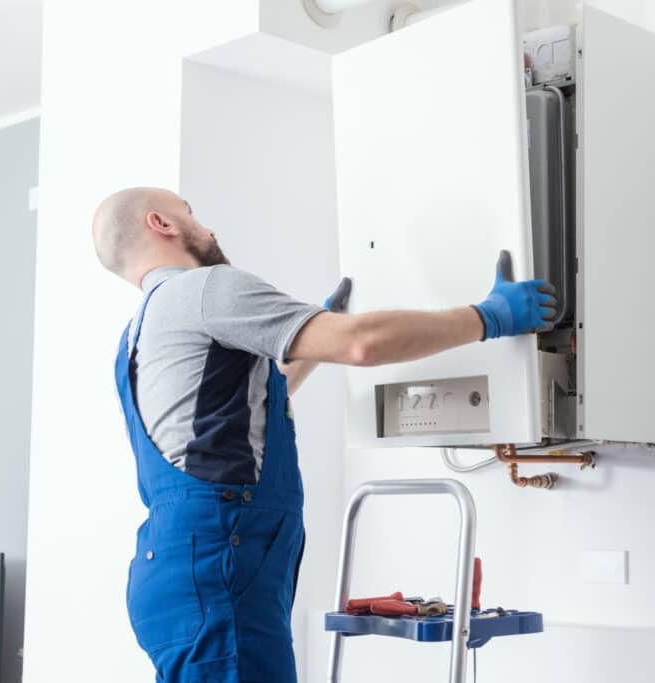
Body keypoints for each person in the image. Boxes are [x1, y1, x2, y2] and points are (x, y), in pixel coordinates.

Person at [91, 186, 557, 683]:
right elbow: (361, 344)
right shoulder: (206, 289)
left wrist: (305, 341)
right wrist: (489, 318)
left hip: (173, 572)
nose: (208, 227)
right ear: (162, 223)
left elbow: (244, 408)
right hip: (218, 564)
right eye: (192, 212)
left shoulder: (138, 333)